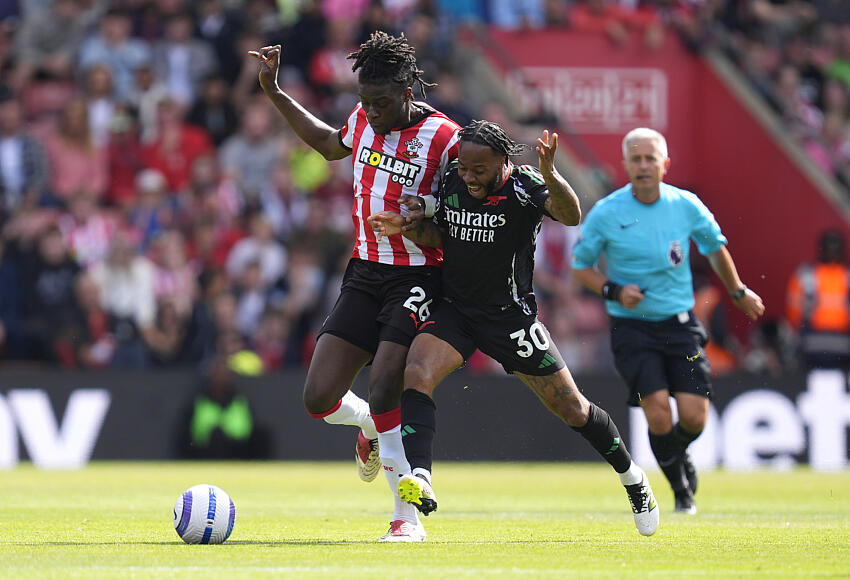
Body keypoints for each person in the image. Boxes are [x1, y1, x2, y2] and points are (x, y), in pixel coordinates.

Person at [368, 120, 660, 537]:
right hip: (457, 311)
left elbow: (571, 214)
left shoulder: (525, 186)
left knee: (573, 408)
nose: (468, 177)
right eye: (464, 168)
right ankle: (421, 477)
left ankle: (633, 478)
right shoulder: (453, 177)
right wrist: (410, 224)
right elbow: (440, 228)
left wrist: (553, 174)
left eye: (479, 170)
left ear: (504, 162)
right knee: (417, 372)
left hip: (510, 318)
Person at [250, 31, 460, 542]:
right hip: (365, 272)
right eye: (365, 101)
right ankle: (368, 425)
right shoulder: (364, 117)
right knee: (319, 397)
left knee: (387, 381)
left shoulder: (445, 138)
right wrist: (275, 92)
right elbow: (328, 144)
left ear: (409, 91)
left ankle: (405, 518)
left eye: (382, 101)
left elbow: (461, 217)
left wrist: (416, 221)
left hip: (419, 277)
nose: (373, 112)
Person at [570, 127, 765, 514]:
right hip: (632, 328)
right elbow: (581, 266)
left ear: (665, 164)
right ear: (625, 164)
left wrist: (739, 291)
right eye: (636, 159)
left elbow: (715, 249)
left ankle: (676, 455)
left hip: (680, 326)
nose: (643, 166)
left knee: (694, 417)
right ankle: (681, 494)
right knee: (657, 411)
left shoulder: (686, 205)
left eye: (650, 159)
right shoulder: (607, 212)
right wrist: (614, 290)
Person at [786, 229, 850, 369]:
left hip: (844, 343)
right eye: (829, 245)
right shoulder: (806, 275)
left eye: (835, 246)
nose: (832, 250)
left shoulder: (846, 276)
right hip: (812, 342)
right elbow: (794, 313)